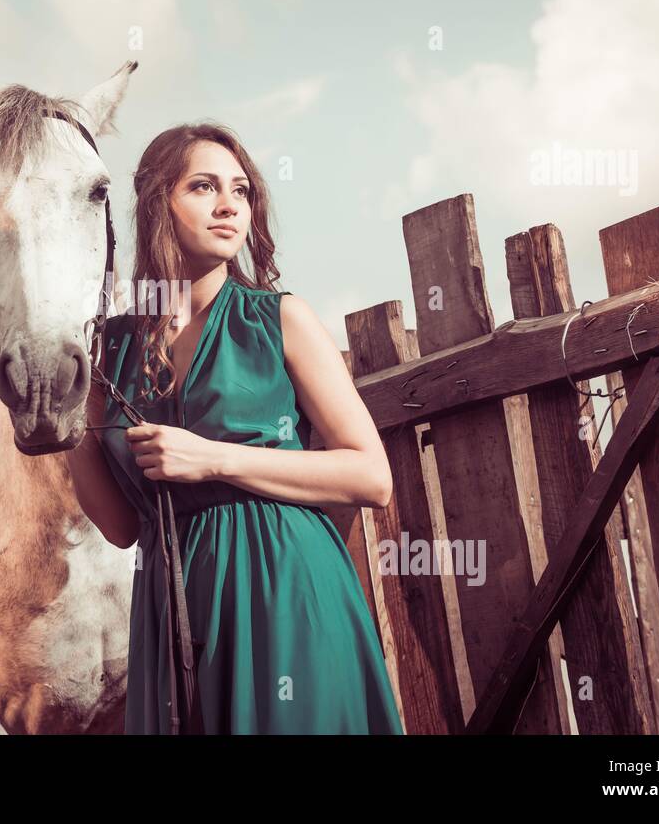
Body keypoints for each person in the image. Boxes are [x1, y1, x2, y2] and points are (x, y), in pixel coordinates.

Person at [66, 122, 405, 734]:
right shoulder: (109, 350)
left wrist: (215, 459)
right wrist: (64, 432)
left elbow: (371, 475)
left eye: (241, 191)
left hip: (283, 589)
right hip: (170, 600)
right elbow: (120, 527)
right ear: (155, 204)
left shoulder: (280, 319)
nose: (229, 205)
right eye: (203, 186)